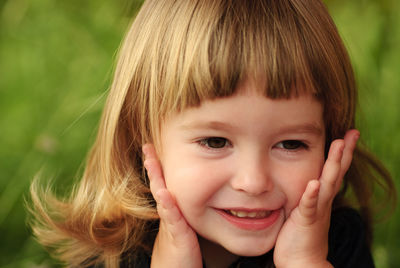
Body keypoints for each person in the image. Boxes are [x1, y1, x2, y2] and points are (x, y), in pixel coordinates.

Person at [29, 0, 396, 267]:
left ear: (332, 146)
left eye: (291, 144)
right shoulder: (114, 253)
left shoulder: (335, 241)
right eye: (215, 142)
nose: (253, 182)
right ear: (140, 137)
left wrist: (304, 261)